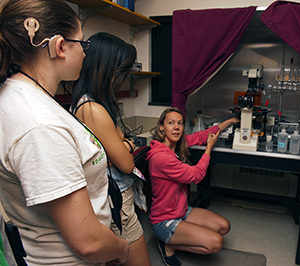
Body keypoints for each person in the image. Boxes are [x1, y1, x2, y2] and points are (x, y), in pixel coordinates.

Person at [0, 0, 130, 265]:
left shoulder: (23, 95)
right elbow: (89, 243)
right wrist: (122, 248)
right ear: (60, 47)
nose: (85, 53)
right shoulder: (40, 125)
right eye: (82, 44)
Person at [69, 32, 151, 266]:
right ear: (107, 68)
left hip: (110, 196)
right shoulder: (93, 109)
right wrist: (126, 145)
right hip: (117, 200)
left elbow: (116, 147)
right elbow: (126, 162)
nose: (124, 77)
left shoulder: (88, 101)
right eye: (122, 70)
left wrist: (120, 146)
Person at [146, 107, 239, 266]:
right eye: (171, 123)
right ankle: (168, 244)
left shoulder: (177, 144)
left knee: (224, 226)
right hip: (164, 220)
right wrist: (209, 148)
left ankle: (182, 235)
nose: (176, 127)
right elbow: (196, 175)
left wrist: (229, 122)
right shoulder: (161, 157)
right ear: (161, 126)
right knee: (216, 242)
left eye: (180, 123)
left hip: (181, 210)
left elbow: (202, 136)